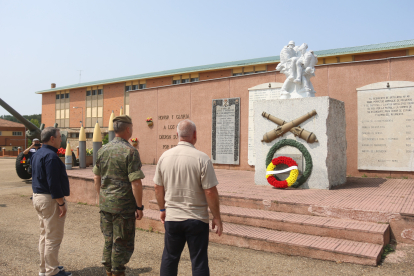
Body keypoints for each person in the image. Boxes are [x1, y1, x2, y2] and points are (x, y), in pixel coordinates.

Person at [153, 119, 223, 276]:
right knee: (199, 261)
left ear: (177, 134)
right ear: (195, 135)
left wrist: (162, 209)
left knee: (170, 258)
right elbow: (210, 191)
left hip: (173, 217)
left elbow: (157, 187)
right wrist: (217, 217)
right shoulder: (202, 158)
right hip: (196, 218)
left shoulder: (164, 157)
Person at [93, 115, 145, 276]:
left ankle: (109, 270)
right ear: (128, 129)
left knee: (108, 239)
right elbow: (136, 183)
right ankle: (117, 271)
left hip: (106, 204)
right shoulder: (130, 151)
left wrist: (102, 198)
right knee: (121, 241)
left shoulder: (103, 150)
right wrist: (139, 206)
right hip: (123, 207)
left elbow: (96, 178)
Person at [31, 127, 71, 276]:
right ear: (52, 139)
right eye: (59, 137)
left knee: (44, 235)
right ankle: (52, 271)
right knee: (53, 237)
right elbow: (53, 183)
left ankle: (45, 268)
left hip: (37, 197)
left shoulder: (37, 154)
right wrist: (61, 203)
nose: (61, 139)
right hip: (50, 199)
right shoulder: (51, 157)